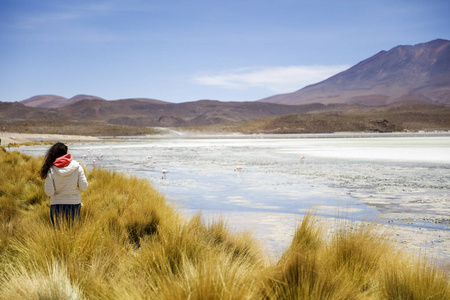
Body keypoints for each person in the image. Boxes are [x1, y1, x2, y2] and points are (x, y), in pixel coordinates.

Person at [39, 142, 88, 227]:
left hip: (56, 205)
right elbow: (84, 187)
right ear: (66, 152)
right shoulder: (77, 166)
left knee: (58, 233)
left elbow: (49, 192)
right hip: (74, 204)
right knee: (72, 233)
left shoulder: (51, 169)